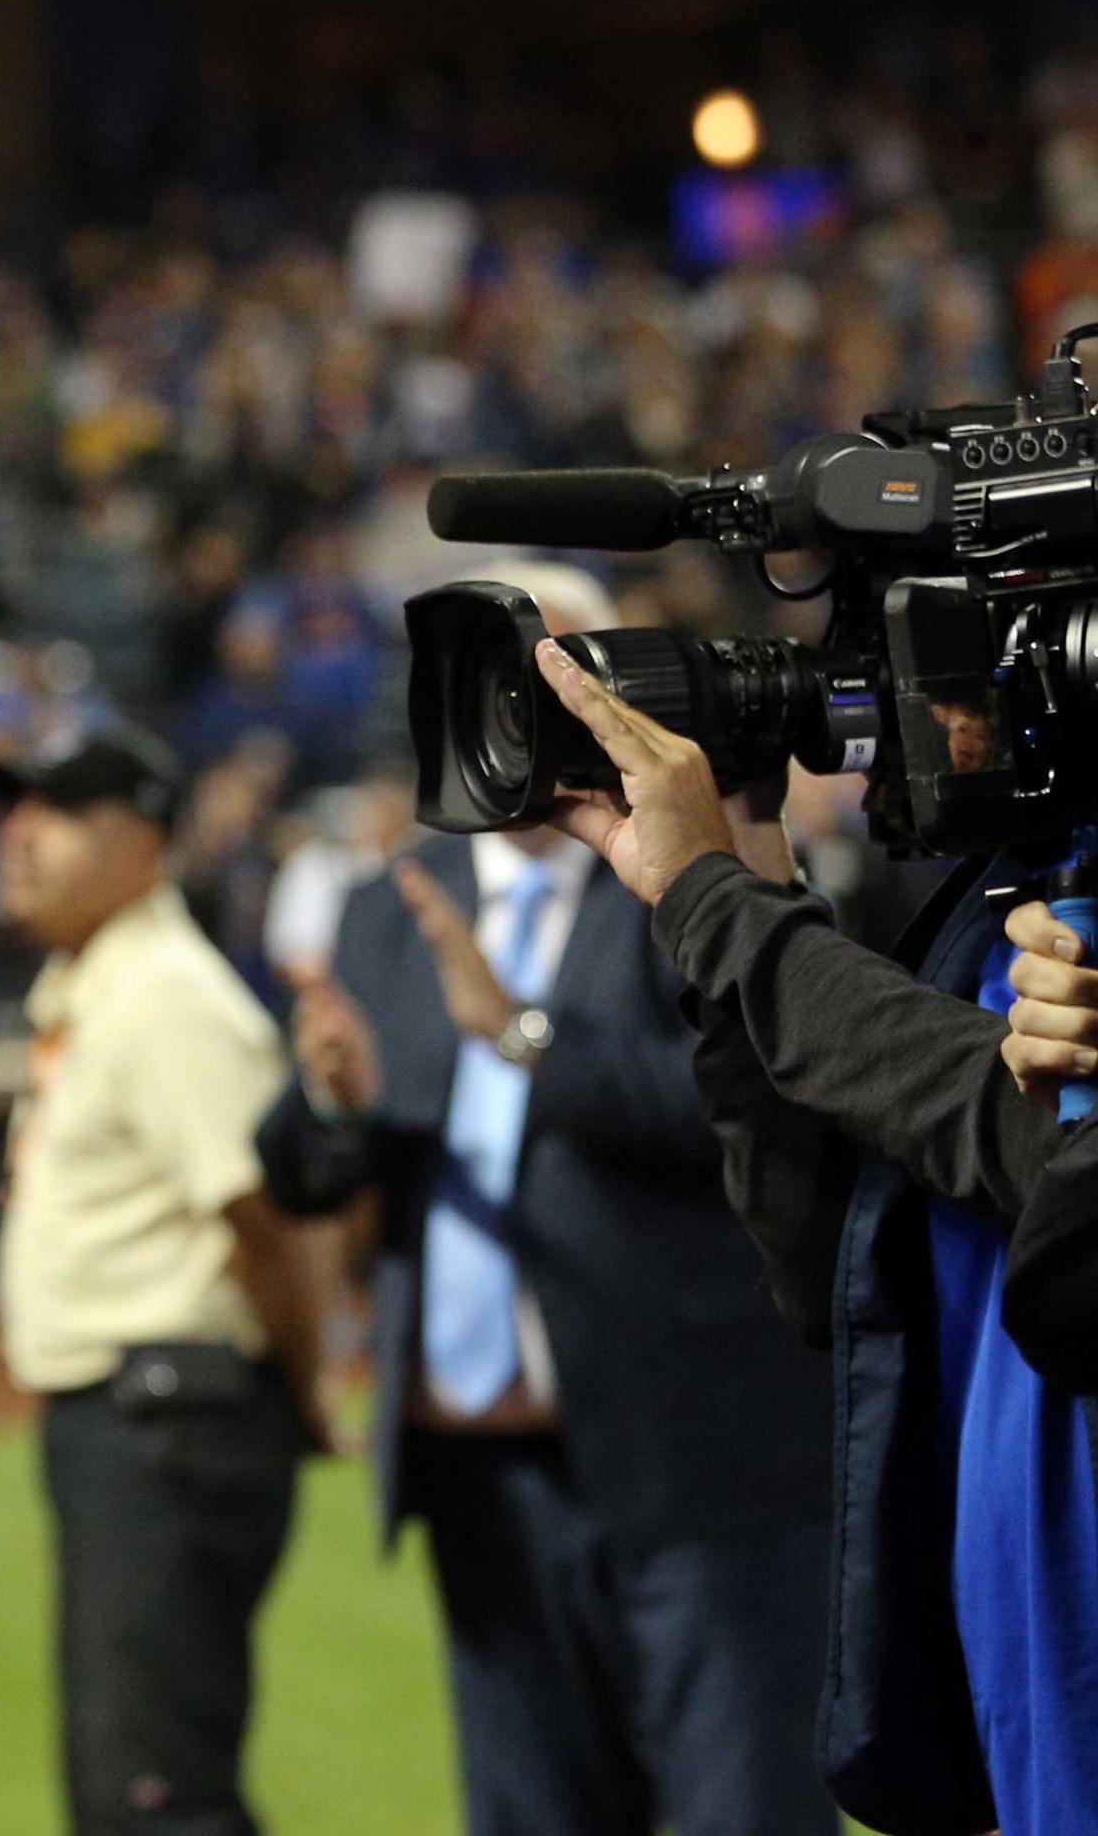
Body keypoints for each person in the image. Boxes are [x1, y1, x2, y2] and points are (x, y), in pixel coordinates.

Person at [256, 578, 833, 1836]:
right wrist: (333, 1100)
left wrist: (520, 1037)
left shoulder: (708, 877)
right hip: (480, 1471)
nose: (501, 712)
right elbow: (306, 1170)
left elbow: (773, 1112)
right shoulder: (388, 907)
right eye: (480, 684)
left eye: (536, 680)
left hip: (699, 1465)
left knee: (741, 1809)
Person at [523, 640, 1094, 1833]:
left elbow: (1020, 1141)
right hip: (1015, 1639)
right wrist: (746, 876)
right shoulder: (1020, 894)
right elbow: (832, 1244)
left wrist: (716, 903)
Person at [0, 726, 324, 1836]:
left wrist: (306, 1382)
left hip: (172, 1418)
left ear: (144, 845)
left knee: (154, 1798)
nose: (21, 835)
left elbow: (263, 1216)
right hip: (137, 1419)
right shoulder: (92, 982)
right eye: (17, 808)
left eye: (62, 812)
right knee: (130, 1788)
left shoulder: (167, 991)